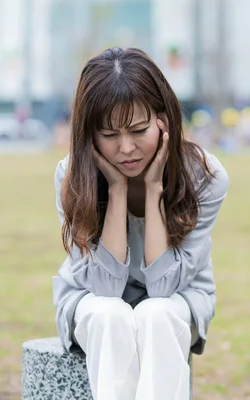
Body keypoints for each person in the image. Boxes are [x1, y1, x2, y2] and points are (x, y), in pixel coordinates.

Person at [52, 47, 229, 400]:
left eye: (138, 130)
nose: (126, 148)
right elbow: (104, 288)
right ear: (88, 133)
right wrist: (116, 190)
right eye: (109, 134)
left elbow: (163, 288)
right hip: (91, 301)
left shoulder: (205, 177)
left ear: (164, 119)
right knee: (109, 314)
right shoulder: (71, 176)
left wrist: (153, 189)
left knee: (156, 313)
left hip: (179, 301)